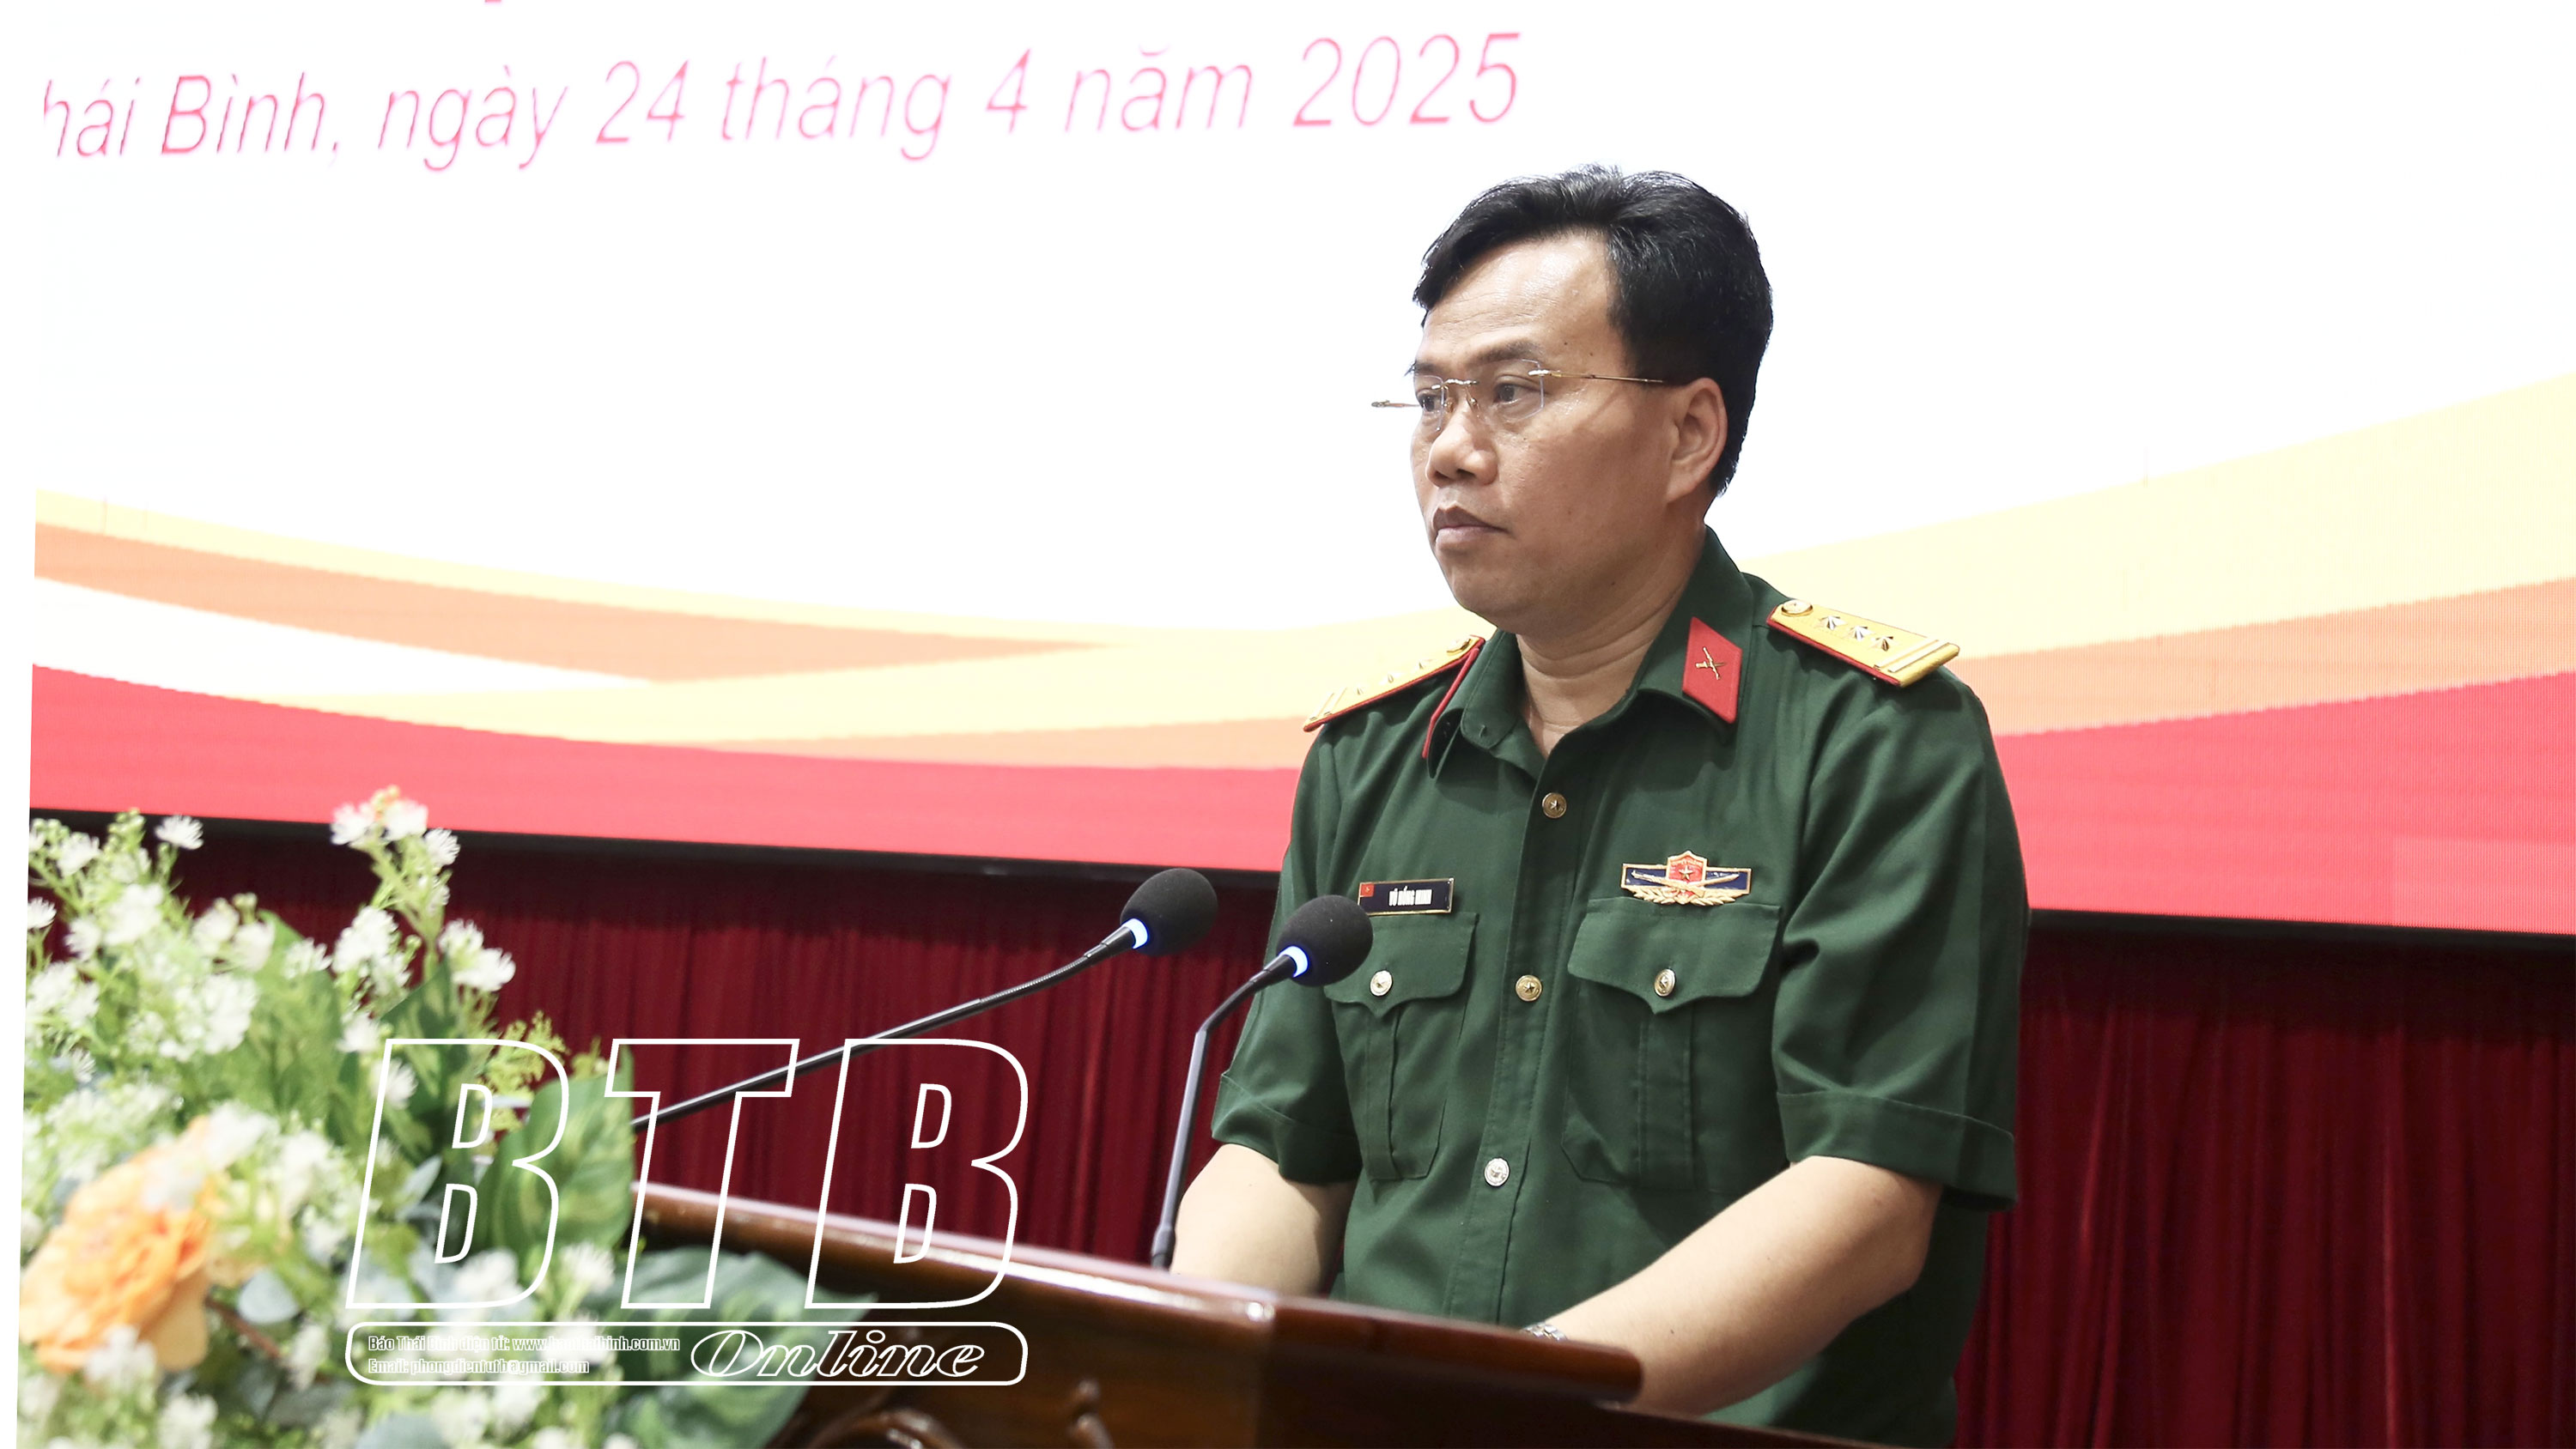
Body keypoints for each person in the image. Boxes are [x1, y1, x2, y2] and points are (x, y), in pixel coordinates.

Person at [1169, 167, 2025, 1446]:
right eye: (1429, 398)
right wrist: (1192, 1367)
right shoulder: (1373, 756)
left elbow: (1864, 1204)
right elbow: (1285, 1153)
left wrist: (1507, 1410)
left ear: (1689, 435)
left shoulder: (1872, 742)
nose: (1451, 449)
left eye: (1513, 392)